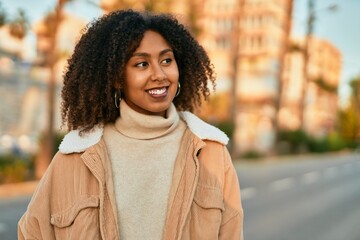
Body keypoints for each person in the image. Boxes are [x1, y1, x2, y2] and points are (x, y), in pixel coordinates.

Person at [18, 9, 244, 239]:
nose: (159, 74)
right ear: (116, 77)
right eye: (142, 64)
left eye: (167, 60)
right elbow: (32, 233)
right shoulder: (74, 158)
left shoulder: (212, 154)